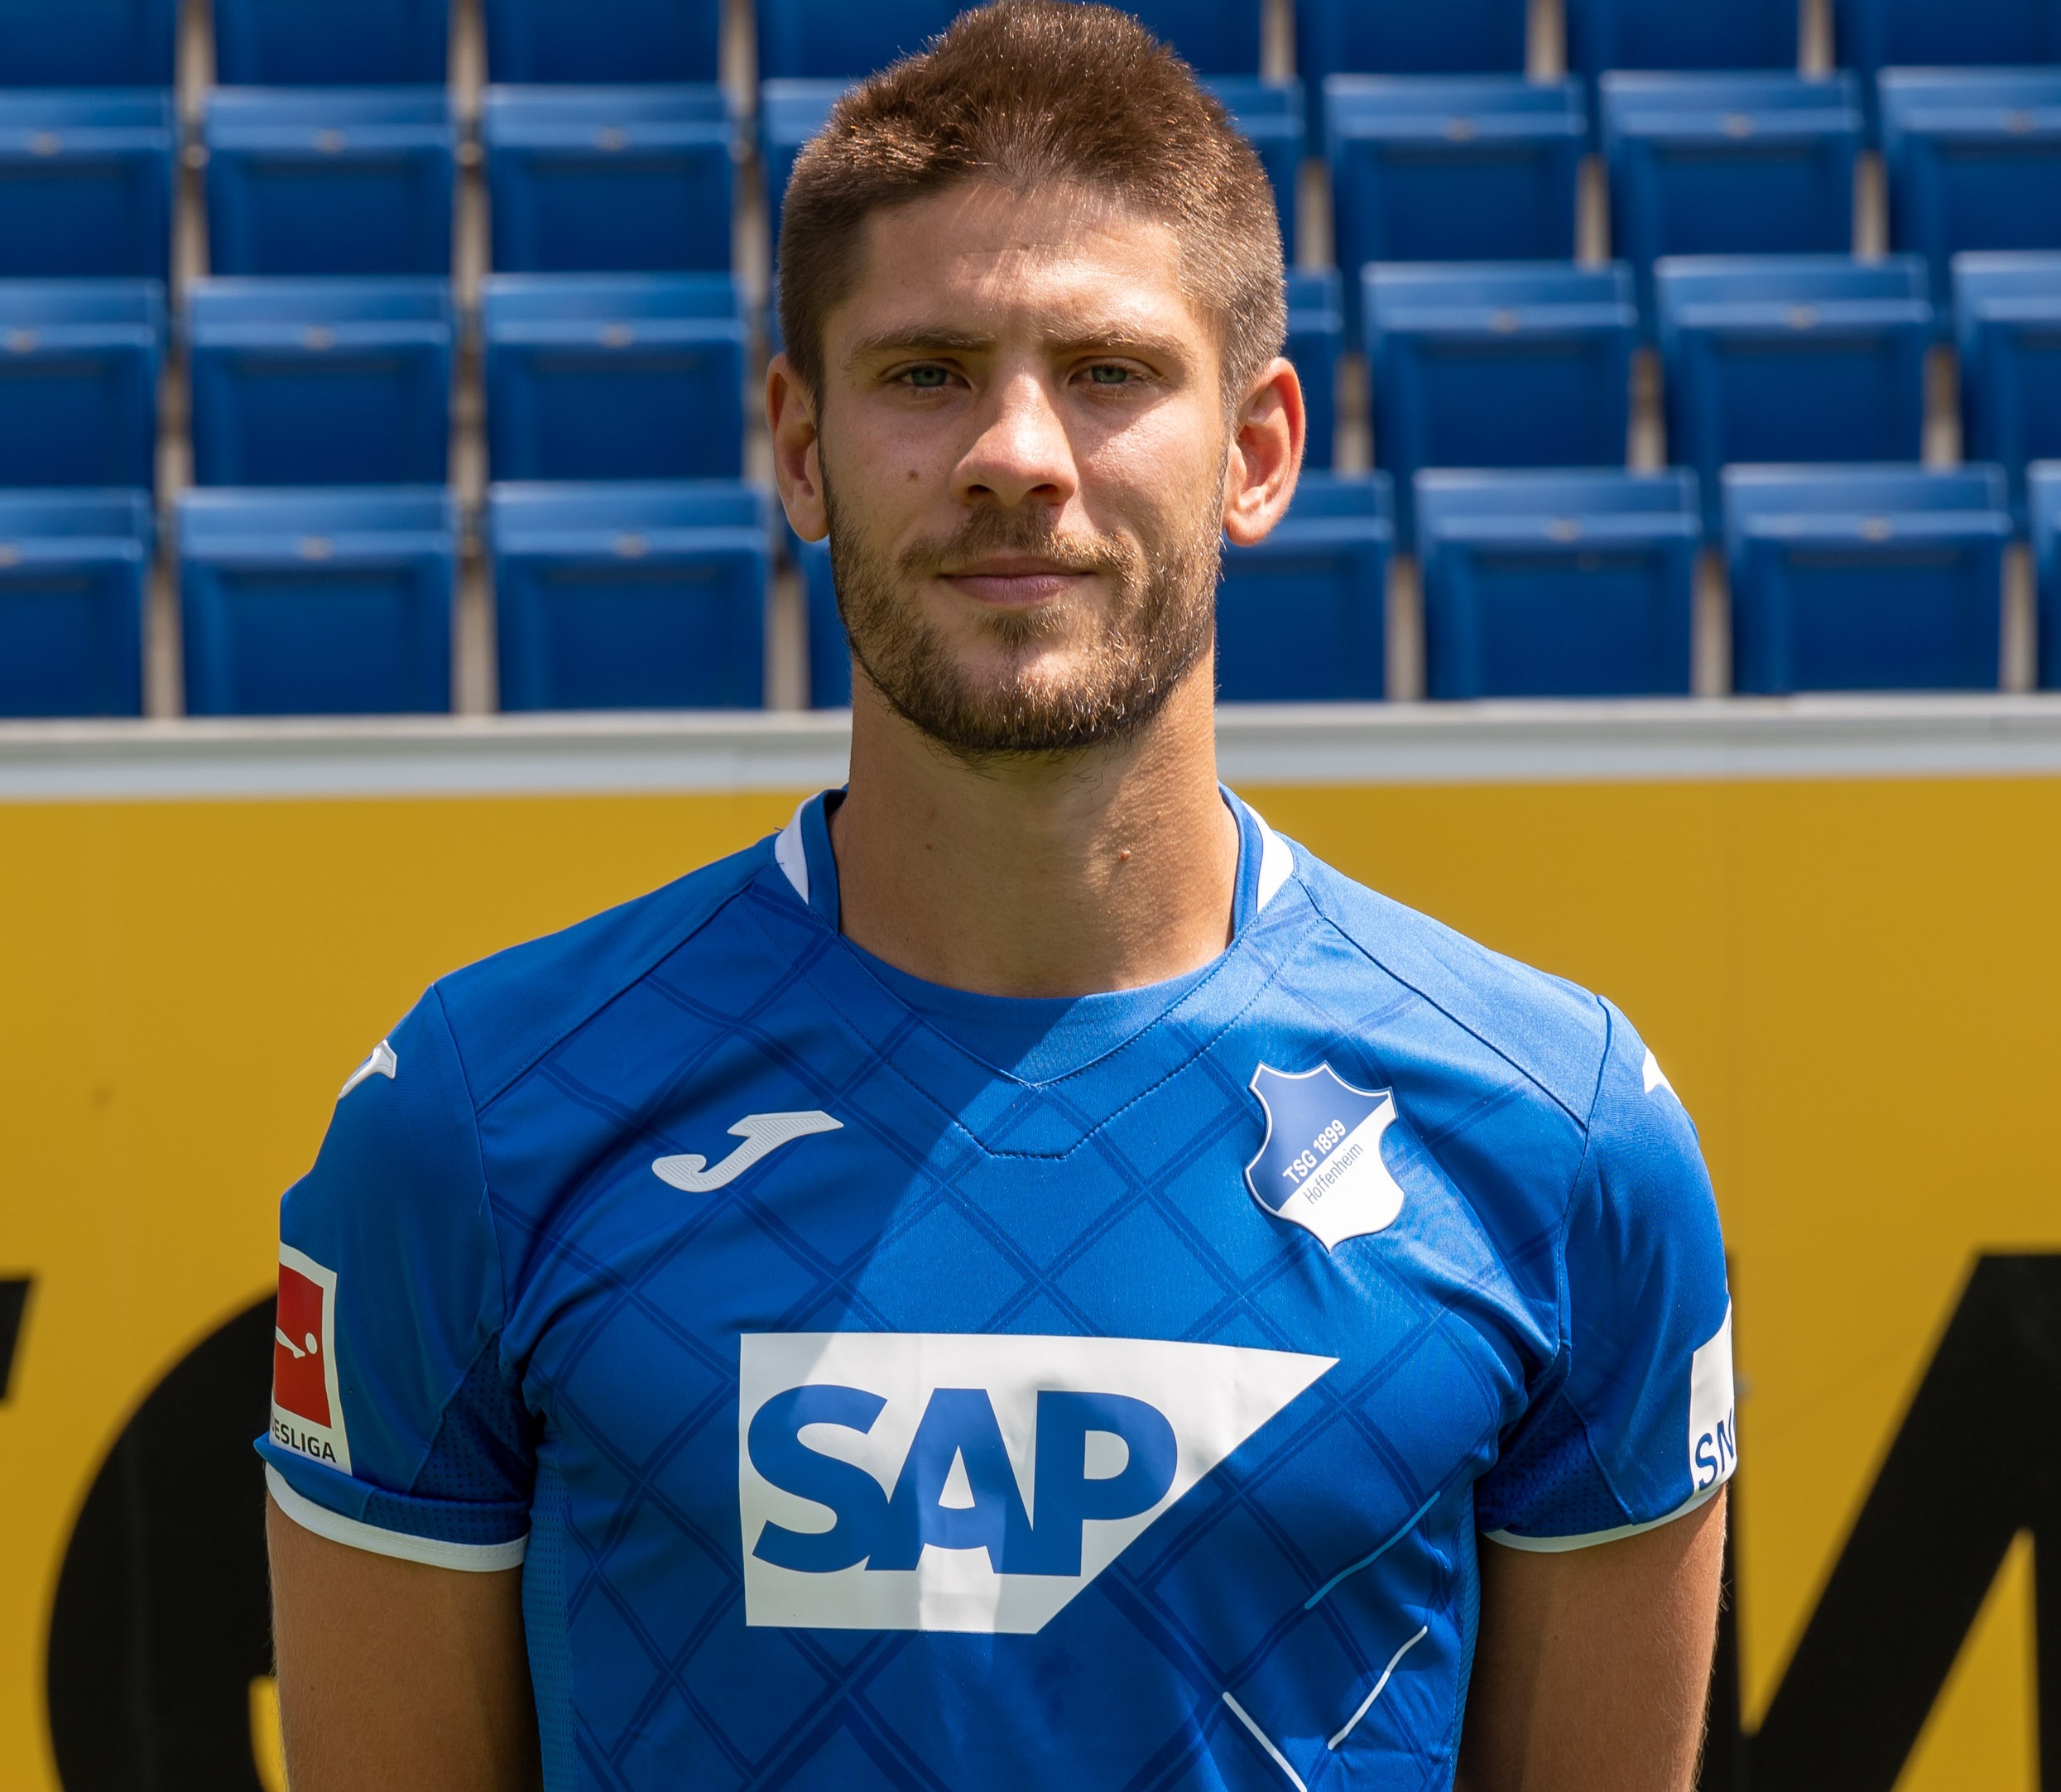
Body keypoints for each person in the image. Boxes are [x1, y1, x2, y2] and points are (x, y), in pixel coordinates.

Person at [261, 5, 1735, 1786]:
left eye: (1108, 373)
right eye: (926, 372)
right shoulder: (474, 1127)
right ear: (801, 447)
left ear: (1259, 450)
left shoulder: (1565, 1142)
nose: (1016, 453)